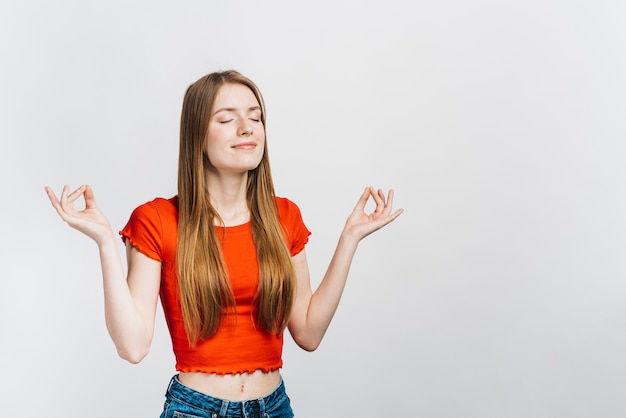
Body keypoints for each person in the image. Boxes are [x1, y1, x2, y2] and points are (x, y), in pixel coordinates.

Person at [45, 70, 403, 418]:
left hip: (274, 407)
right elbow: (133, 346)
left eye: (255, 117)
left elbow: (308, 332)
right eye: (226, 119)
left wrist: (350, 239)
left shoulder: (284, 217)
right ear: (198, 136)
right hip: (197, 410)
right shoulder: (157, 220)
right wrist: (106, 242)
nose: (247, 128)